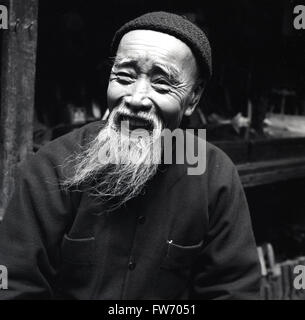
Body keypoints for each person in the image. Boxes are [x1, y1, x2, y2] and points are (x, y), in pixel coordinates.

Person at [0, 11, 261, 299]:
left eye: (162, 83)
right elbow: (16, 286)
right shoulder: (52, 167)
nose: (136, 98)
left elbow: (233, 291)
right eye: (123, 77)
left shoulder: (213, 175)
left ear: (193, 98)